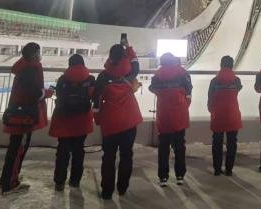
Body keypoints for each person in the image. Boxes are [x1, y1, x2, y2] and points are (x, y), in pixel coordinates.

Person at [0, 42, 53, 195]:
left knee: (15, 149)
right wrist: (46, 93)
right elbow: (34, 93)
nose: (39, 55)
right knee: (17, 150)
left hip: (19, 114)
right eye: (38, 52)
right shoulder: (30, 70)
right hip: (23, 117)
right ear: (33, 55)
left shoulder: (24, 67)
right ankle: (9, 183)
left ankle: (10, 178)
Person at [93, 43, 143, 200]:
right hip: (129, 121)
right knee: (126, 155)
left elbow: (95, 101)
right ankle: (122, 188)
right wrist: (129, 48)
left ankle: (107, 191)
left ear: (110, 56)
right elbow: (135, 62)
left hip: (110, 123)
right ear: (124, 57)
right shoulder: (131, 72)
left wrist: (98, 119)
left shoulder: (103, 76)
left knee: (108, 157)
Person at [48, 54, 95, 191]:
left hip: (64, 120)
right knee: (78, 150)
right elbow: (94, 96)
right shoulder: (90, 79)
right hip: (82, 120)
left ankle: (59, 182)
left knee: (63, 150)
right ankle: (75, 180)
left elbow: (60, 96)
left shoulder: (63, 79)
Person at [149, 52, 192, 187]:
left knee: (163, 147)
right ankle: (180, 175)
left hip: (164, 114)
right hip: (179, 114)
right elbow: (188, 88)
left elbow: (153, 88)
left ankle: (163, 177)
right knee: (179, 146)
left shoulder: (158, 74)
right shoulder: (182, 72)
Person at [207, 55, 242, 176]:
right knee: (232, 143)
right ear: (232, 66)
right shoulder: (236, 80)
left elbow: (210, 99)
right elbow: (238, 90)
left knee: (217, 143)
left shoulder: (214, 81)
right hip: (233, 115)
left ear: (221, 65)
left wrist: (212, 110)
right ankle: (229, 169)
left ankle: (217, 168)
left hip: (218, 115)